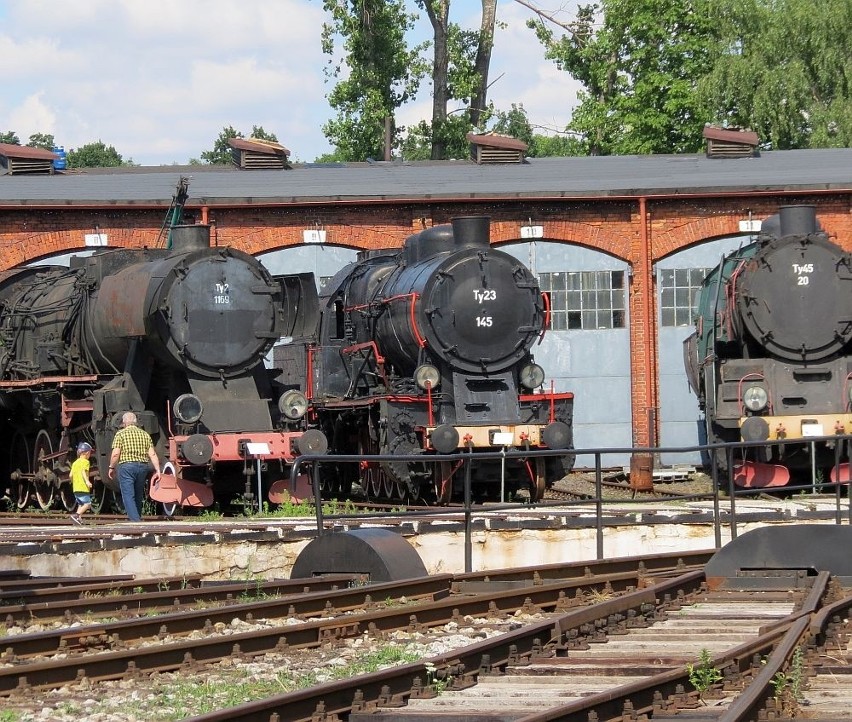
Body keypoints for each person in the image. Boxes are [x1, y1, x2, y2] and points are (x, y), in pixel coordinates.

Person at [107, 411, 160, 522]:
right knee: (138, 494)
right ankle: (137, 517)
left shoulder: (120, 434)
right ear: (136, 422)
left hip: (126, 466)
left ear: (124, 422)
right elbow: (152, 454)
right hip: (142, 467)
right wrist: (158, 469)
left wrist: (111, 467)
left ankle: (135, 521)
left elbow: (116, 453)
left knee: (128, 494)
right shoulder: (144, 434)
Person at [70, 441, 94, 525]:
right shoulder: (85, 462)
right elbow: (84, 471)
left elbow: (70, 475)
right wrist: (87, 481)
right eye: (90, 452)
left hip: (76, 488)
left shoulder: (74, 463)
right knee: (87, 504)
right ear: (87, 453)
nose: (90, 455)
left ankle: (77, 520)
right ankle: (76, 515)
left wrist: (73, 482)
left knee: (80, 504)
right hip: (83, 487)